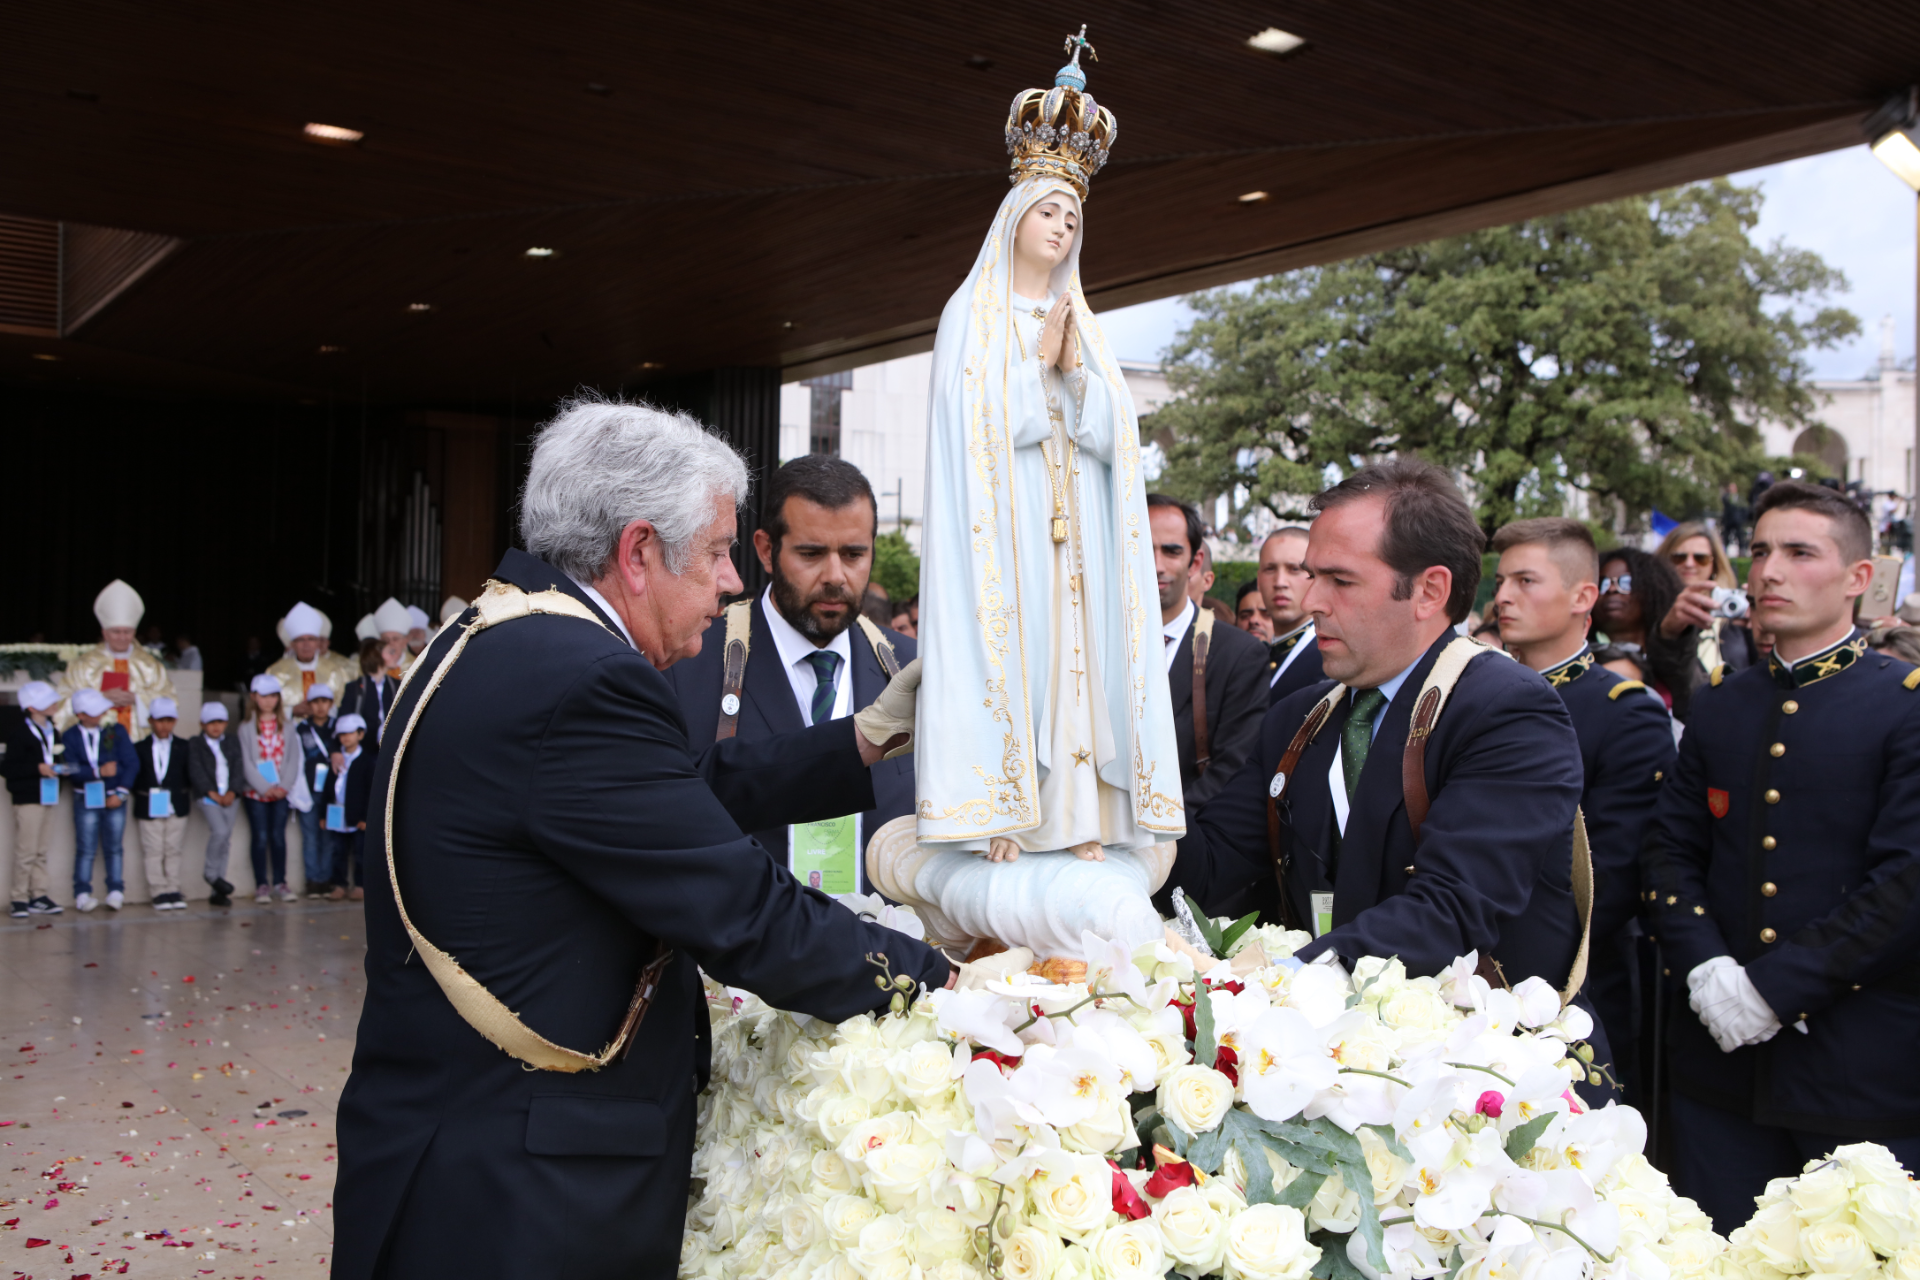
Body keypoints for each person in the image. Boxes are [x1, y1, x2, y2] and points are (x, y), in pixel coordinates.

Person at [331, 395, 951, 1280]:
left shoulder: (504, 633)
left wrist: (860, 738)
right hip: (520, 1192)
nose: (732, 581)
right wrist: (947, 984)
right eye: (716, 552)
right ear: (637, 552)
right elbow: (742, 911)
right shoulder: (581, 677)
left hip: (453, 1142)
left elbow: (676, 797)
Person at [1158, 460, 1605, 1075]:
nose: (1311, 601)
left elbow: (1451, 911)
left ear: (1429, 591)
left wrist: (1280, 980)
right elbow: (1211, 866)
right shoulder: (1299, 717)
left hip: (1484, 1086)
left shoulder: (1508, 711)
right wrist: (1121, 824)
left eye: (1340, 580)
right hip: (1337, 1069)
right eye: (1312, 575)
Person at [1641, 480, 1920, 1232]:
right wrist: (1706, 967)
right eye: (1761, 550)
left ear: (1859, 577)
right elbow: (1669, 850)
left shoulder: (1904, 703)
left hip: (1857, 1071)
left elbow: (1905, 885)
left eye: (1800, 553)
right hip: (1718, 1067)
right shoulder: (1724, 702)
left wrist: (1773, 991)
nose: (1768, 571)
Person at [914, 99, 1184, 866]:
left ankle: (1080, 814)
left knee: (1080, 656)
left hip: (1079, 532)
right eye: (1049, 212)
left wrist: (1075, 371)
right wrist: (1036, 367)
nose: (1062, 228)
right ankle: (1004, 810)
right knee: (1020, 654)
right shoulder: (972, 313)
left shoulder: (1082, 320)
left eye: (1072, 218)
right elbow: (971, 429)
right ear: (1014, 218)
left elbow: (1115, 434)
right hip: (1007, 528)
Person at [667, 455, 917, 896]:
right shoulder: (688, 661)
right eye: (811, 554)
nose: (835, 576)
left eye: (854, 554)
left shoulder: (911, 668)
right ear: (766, 550)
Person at [1490, 517, 1675, 1100]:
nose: (1503, 597)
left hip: (1573, 987)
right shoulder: (1476, 698)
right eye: (1500, 582)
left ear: (1583, 597)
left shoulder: (1624, 712)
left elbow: (1611, 877)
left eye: (1525, 581)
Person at [1150, 494, 1268, 813]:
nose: (1157, 565)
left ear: (1196, 562)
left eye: (1172, 551)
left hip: (1188, 832)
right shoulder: (1093, 647)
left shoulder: (1238, 655)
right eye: (1143, 549)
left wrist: (1160, 830)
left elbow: (1232, 769)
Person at [57, 579, 177, 741]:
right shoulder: (84, 665)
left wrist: (138, 699)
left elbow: (170, 701)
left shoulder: (150, 665)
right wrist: (100, 699)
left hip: (139, 741)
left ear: (135, 632)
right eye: (116, 631)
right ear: (104, 633)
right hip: (94, 741)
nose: (122, 637)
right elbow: (63, 702)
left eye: (127, 632)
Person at [1593, 545, 1696, 719]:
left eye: (1626, 583)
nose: (1612, 589)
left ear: (1653, 589)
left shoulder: (1676, 660)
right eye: (1602, 583)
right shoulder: (1582, 661)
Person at [238, 673, 312, 904]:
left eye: (273, 696)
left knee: (279, 837)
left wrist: (284, 786)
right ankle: (262, 884)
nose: (268, 701)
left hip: (281, 792)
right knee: (260, 837)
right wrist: (263, 787)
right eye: (263, 696)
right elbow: (246, 762)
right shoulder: (245, 727)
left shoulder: (287, 726)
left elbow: (293, 758)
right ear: (254, 697)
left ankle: (281, 882)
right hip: (255, 793)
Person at [64, 687, 139, 911]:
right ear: (81, 715)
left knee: (114, 847)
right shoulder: (69, 736)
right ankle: (82, 893)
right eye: (94, 711)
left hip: (114, 796)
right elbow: (70, 769)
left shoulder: (115, 730)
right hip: (85, 797)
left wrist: (121, 792)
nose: (101, 714)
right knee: (85, 848)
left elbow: (131, 763)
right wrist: (97, 772)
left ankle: (115, 890)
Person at [1654, 521, 1758, 677]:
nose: (1689, 564)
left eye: (1700, 558)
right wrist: (1669, 632)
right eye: (1678, 557)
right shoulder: (1652, 612)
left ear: (1714, 564)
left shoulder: (1736, 611)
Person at [5, 681, 66, 918]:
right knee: (26, 851)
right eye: (47, 701)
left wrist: (62, 769)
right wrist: (37, 768)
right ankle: (18, 897)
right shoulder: (19, 733)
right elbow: (8, 768)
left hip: (49, 795)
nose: (53, 704)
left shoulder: (54, 731)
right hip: (28, 797)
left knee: (41, 850)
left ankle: (38, 894)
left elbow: (56, 758)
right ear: (31, 707)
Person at [132, 695, 194, 909]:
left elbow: (189, 775)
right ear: (151, 721)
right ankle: (158, 890)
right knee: (153, 849)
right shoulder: (139, 747)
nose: (164, 725)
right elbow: (134, 777)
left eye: (169, 720)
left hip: (176, 803)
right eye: (160, 720)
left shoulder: (184, 746)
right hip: (149, 804)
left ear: (175, 721)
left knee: (173, 849)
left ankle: (173, 888)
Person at [1258, 526, 1325, 704]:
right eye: (1270, 569)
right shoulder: (1252, 659)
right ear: (1258, 579)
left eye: (1294, 569)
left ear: (1317, 576)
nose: (1280, 582)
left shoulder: (1329, 658)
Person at [188, 702, 242, 907]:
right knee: (219, 831)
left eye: (220, 722)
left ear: (226, 723)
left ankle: (218, 890)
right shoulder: (196, 743)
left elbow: (238, 767)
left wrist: (232, 791)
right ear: (202, 724)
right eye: (211, 722)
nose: (216, 726)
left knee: (225, 841)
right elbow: (196, 770)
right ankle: (211, 874)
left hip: (230, 796)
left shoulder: (232, 741)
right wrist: (212, 793)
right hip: (209, 796)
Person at [266, 601, 358, 717]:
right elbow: (264, 709)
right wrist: (291, 711)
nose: (306, 645)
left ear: (318, 643)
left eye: (311, 639)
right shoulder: (275, 672)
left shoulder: (335, 671)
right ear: (292, 644)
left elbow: (346, 706)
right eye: (300, 640)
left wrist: (321, 711)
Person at [323, 712, 374, 901]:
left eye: (350, 733)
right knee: (338, 852)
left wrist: (366, 818)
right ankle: (340, 885)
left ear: (360, 734)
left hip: (358, 818)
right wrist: (323, 814)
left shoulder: (367, 762)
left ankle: (360, 886)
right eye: (342, 734)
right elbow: (328, 788)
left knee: (360, 854)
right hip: (337, 816)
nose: (345, 737)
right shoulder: (336, 760)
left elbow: (371, 792)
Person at [294, 684, 340, 897]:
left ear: (331, 704)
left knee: (329, 837)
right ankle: (313, 881)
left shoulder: (338, 727)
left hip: (333, 791)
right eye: (315, 702)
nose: (320, 706)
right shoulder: (301, 728)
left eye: (324, 701)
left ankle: (326, 879)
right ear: (308, 704)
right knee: (310, 836)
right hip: (308, 789)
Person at [340, 639, 400, 745]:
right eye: (390, 652)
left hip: (392, 746)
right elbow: (344, 721)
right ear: (376, 655)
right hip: (364, 748)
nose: (396, 656)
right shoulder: (354, 688)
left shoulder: (397, 685)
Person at [371, 598, 414, 677]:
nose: (390, 643)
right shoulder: (373, 667)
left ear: (405, 641)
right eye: (385, 640)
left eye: (395, 639)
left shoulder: (416, 666)